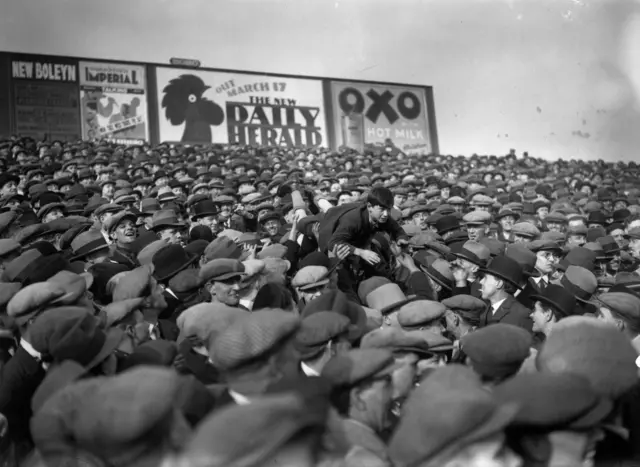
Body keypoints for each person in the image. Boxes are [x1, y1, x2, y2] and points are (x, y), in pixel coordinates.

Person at [478, 255, 533, 332]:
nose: (481, 281)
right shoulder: (484, 310)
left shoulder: (521, 315)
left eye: (486, 278)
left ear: (499, 283)